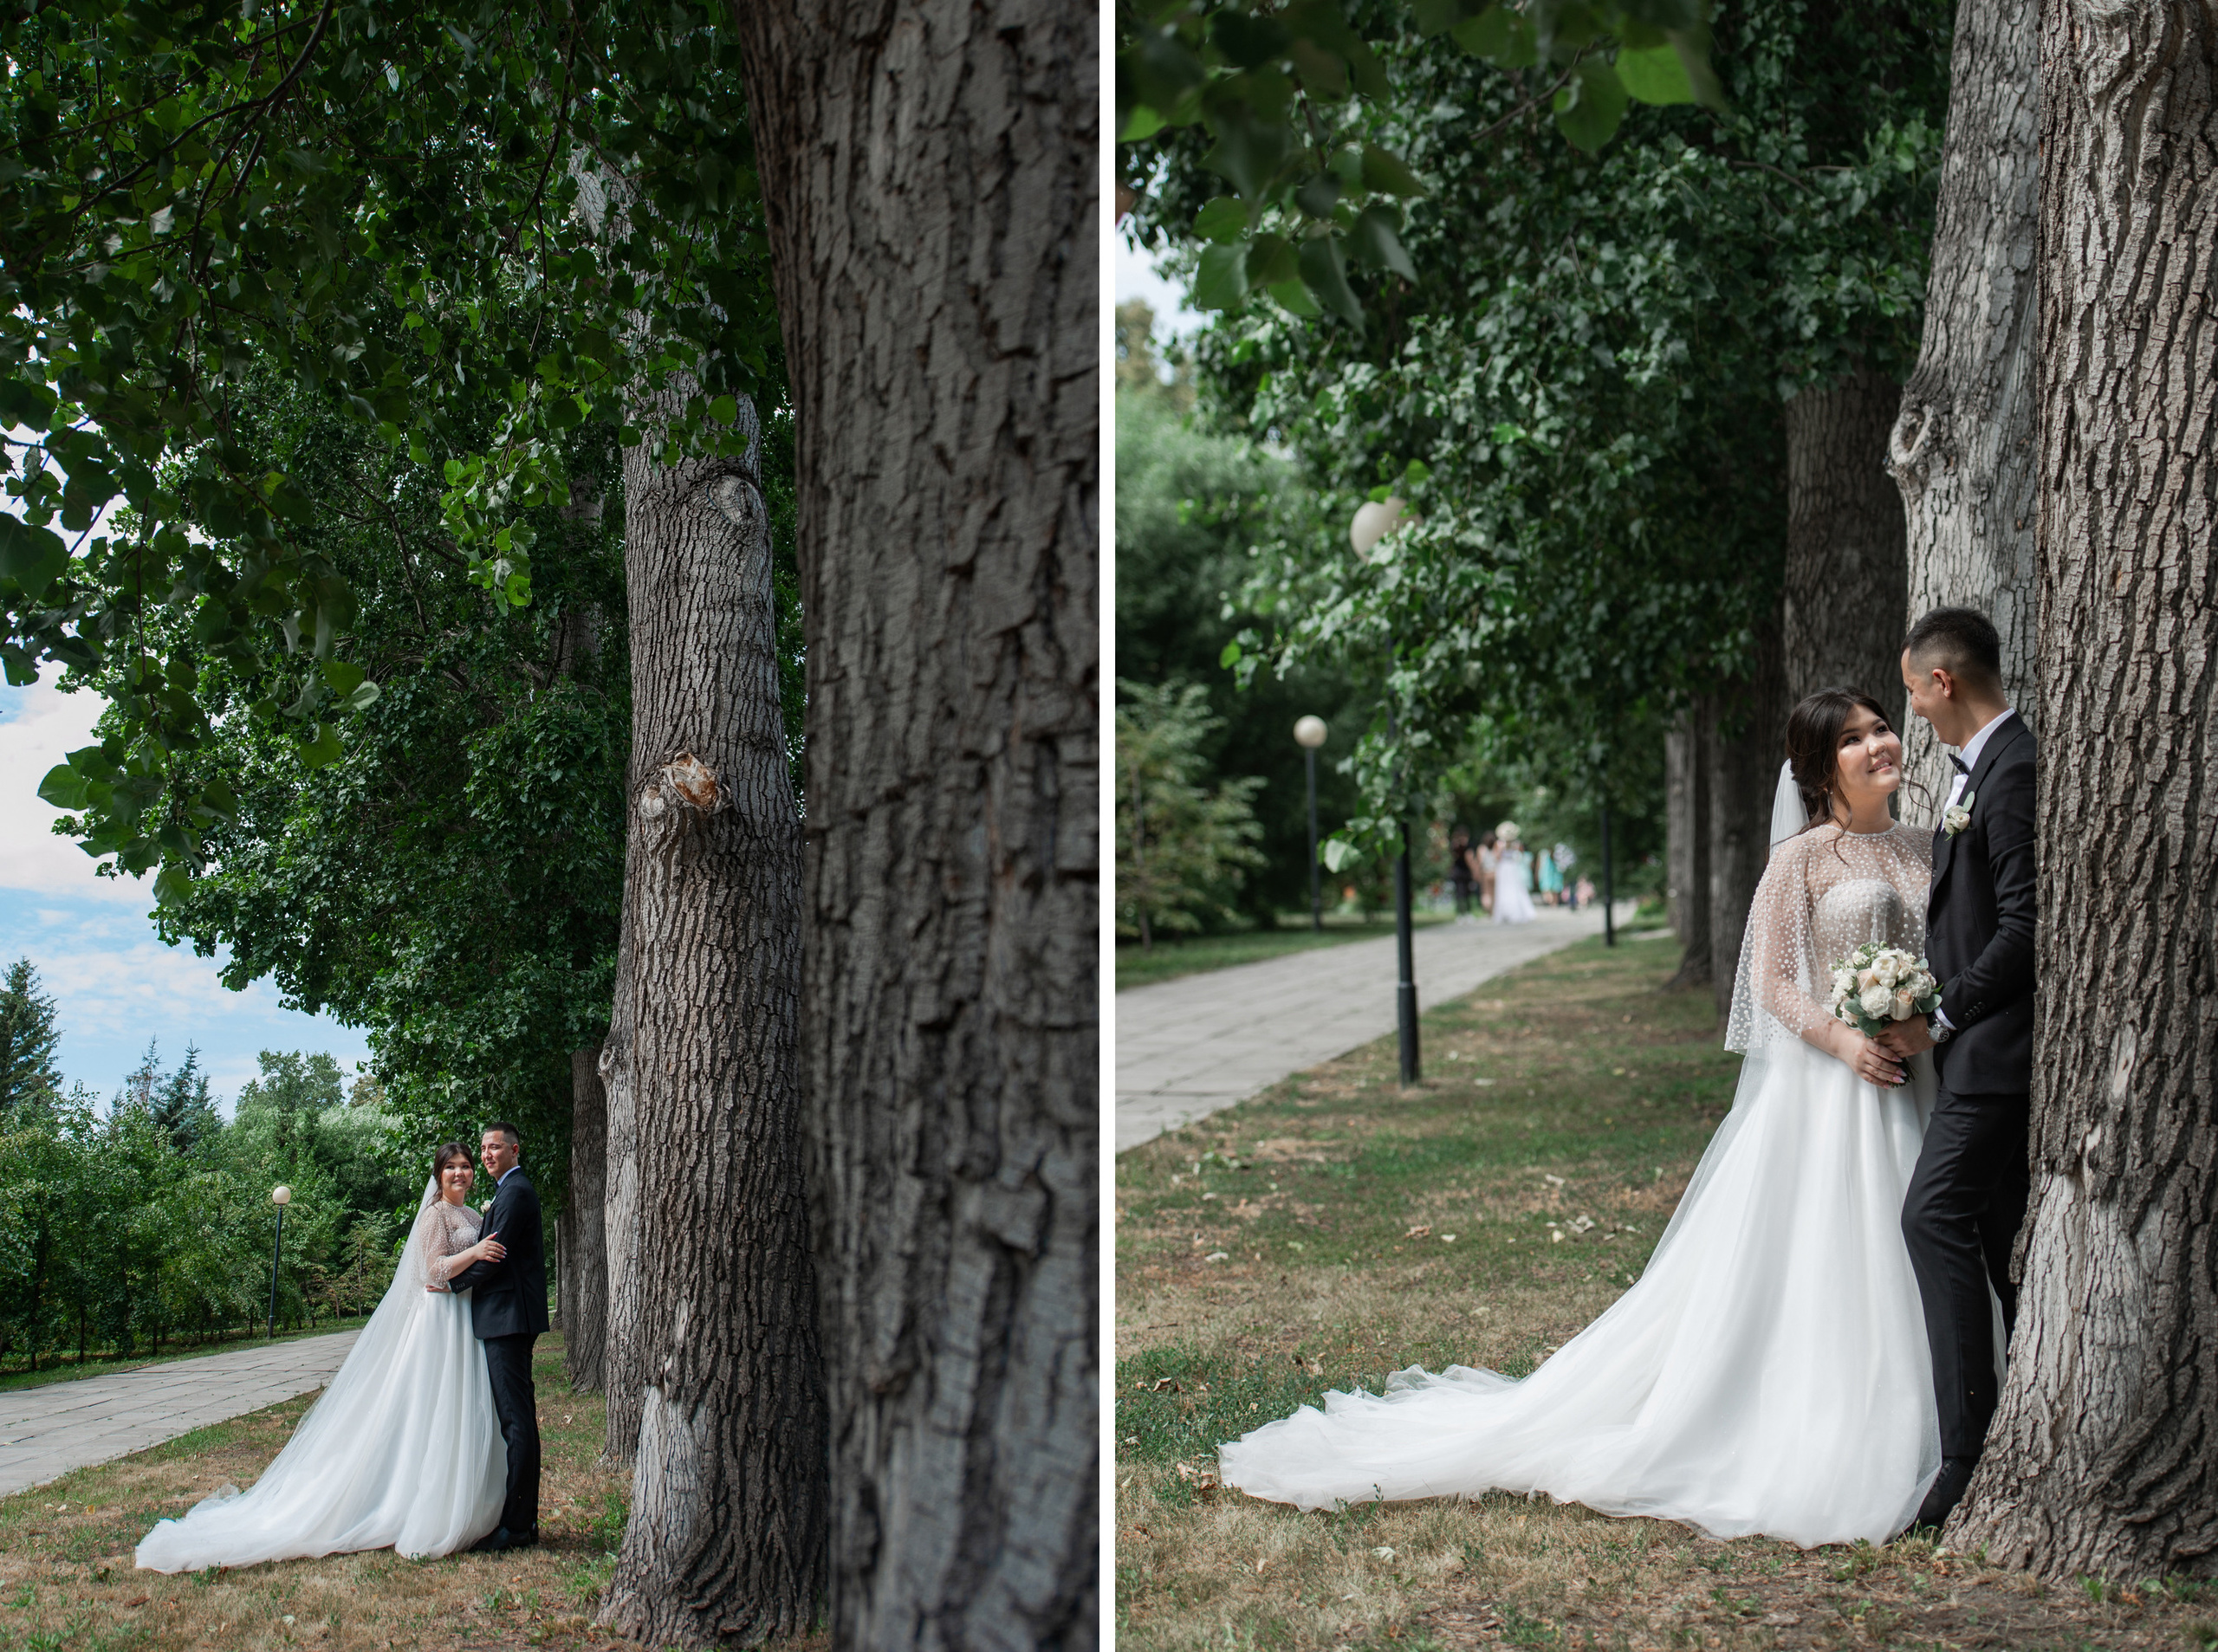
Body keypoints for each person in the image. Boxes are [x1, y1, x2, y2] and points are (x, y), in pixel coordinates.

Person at [1219, 690, 1947, 1547]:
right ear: (1822, 767)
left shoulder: (1929, 846)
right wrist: (1844, 1039)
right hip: (1833, 1092)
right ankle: (1828, 1423)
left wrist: (1918, 1021)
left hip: (1921, 1077)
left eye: (1880, 728)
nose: (1876, 745)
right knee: (1834, 1254)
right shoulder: (1801, 860)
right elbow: (1772, 984)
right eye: (1853, 738)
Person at [136, 1143, 507, 1570]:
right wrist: (474, 1253)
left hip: (465, 1318)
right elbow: (432, 1269)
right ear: (438, 1175)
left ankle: (461, 1496)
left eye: (464, 1167)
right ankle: (407, 1499)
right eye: (451, 1168)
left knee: (458, 1405)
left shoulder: (475, 1216)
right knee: (427, 1406)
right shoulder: (434, 1215)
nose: (459, 1174)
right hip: (439, 1316)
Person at [1879, 607, 2036, 1530]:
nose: (1913, 711)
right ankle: (2013, 1417)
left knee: (1931, 1213)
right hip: (1980, 1051)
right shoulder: (1982, 767)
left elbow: (2023, 925)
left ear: (1942, 681)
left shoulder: (2010, 771)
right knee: (1996, 1236)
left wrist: (1940, 1014)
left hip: (1992, 1055)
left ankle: (1964, 1451)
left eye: (1911, 689)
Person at [446, 1121, 548, 1552]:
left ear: (514, 1150)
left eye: (494, 1148)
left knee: (516, 1420)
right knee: (516, 1418)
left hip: (509, 1317)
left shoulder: (516, 1191)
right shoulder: (509, 1189)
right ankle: (521, 1519)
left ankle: (518, 1527)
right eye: (483, 1148)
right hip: (506, 1316)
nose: (487, 1155)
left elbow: (496, 1254)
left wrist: (448, 1284)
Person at [1491, 821, 1536, 924]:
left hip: (1512, 867)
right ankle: (1505, 912)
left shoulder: (1516, 843)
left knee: (1516, 888)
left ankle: (1517, 912)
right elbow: (1496, 857)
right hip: (1504, 868)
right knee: (1503, 889)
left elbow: (1520, 855)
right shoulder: (1499, 844)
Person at [1447, 826, 1476, 925]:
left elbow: (1470, 858)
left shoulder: (1468, 846)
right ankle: (1461, 914)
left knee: (1467, 893)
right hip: (1458, 872)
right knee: (1460, 894)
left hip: (1465, 872)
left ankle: (1467, 913)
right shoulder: (1455, 846)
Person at [1473, 831, 1499, 915]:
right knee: (1495, 892)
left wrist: (1476, 873)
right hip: (1495, 873)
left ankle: (1489, 909)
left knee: (1486, 892)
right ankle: (1494, 909)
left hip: (1486, 874)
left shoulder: (1481, 849)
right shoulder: (1496, 848)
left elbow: (1479, 863)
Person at [1535, 841, 1564, 906]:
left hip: (1554, 874)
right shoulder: (1542, 853)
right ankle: (1551, 903)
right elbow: (1538, 864)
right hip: (1545, 874)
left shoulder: (1557, 852)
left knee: (1554, 890)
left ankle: (1554, 904)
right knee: (1546, 889)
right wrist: (1537, 874)